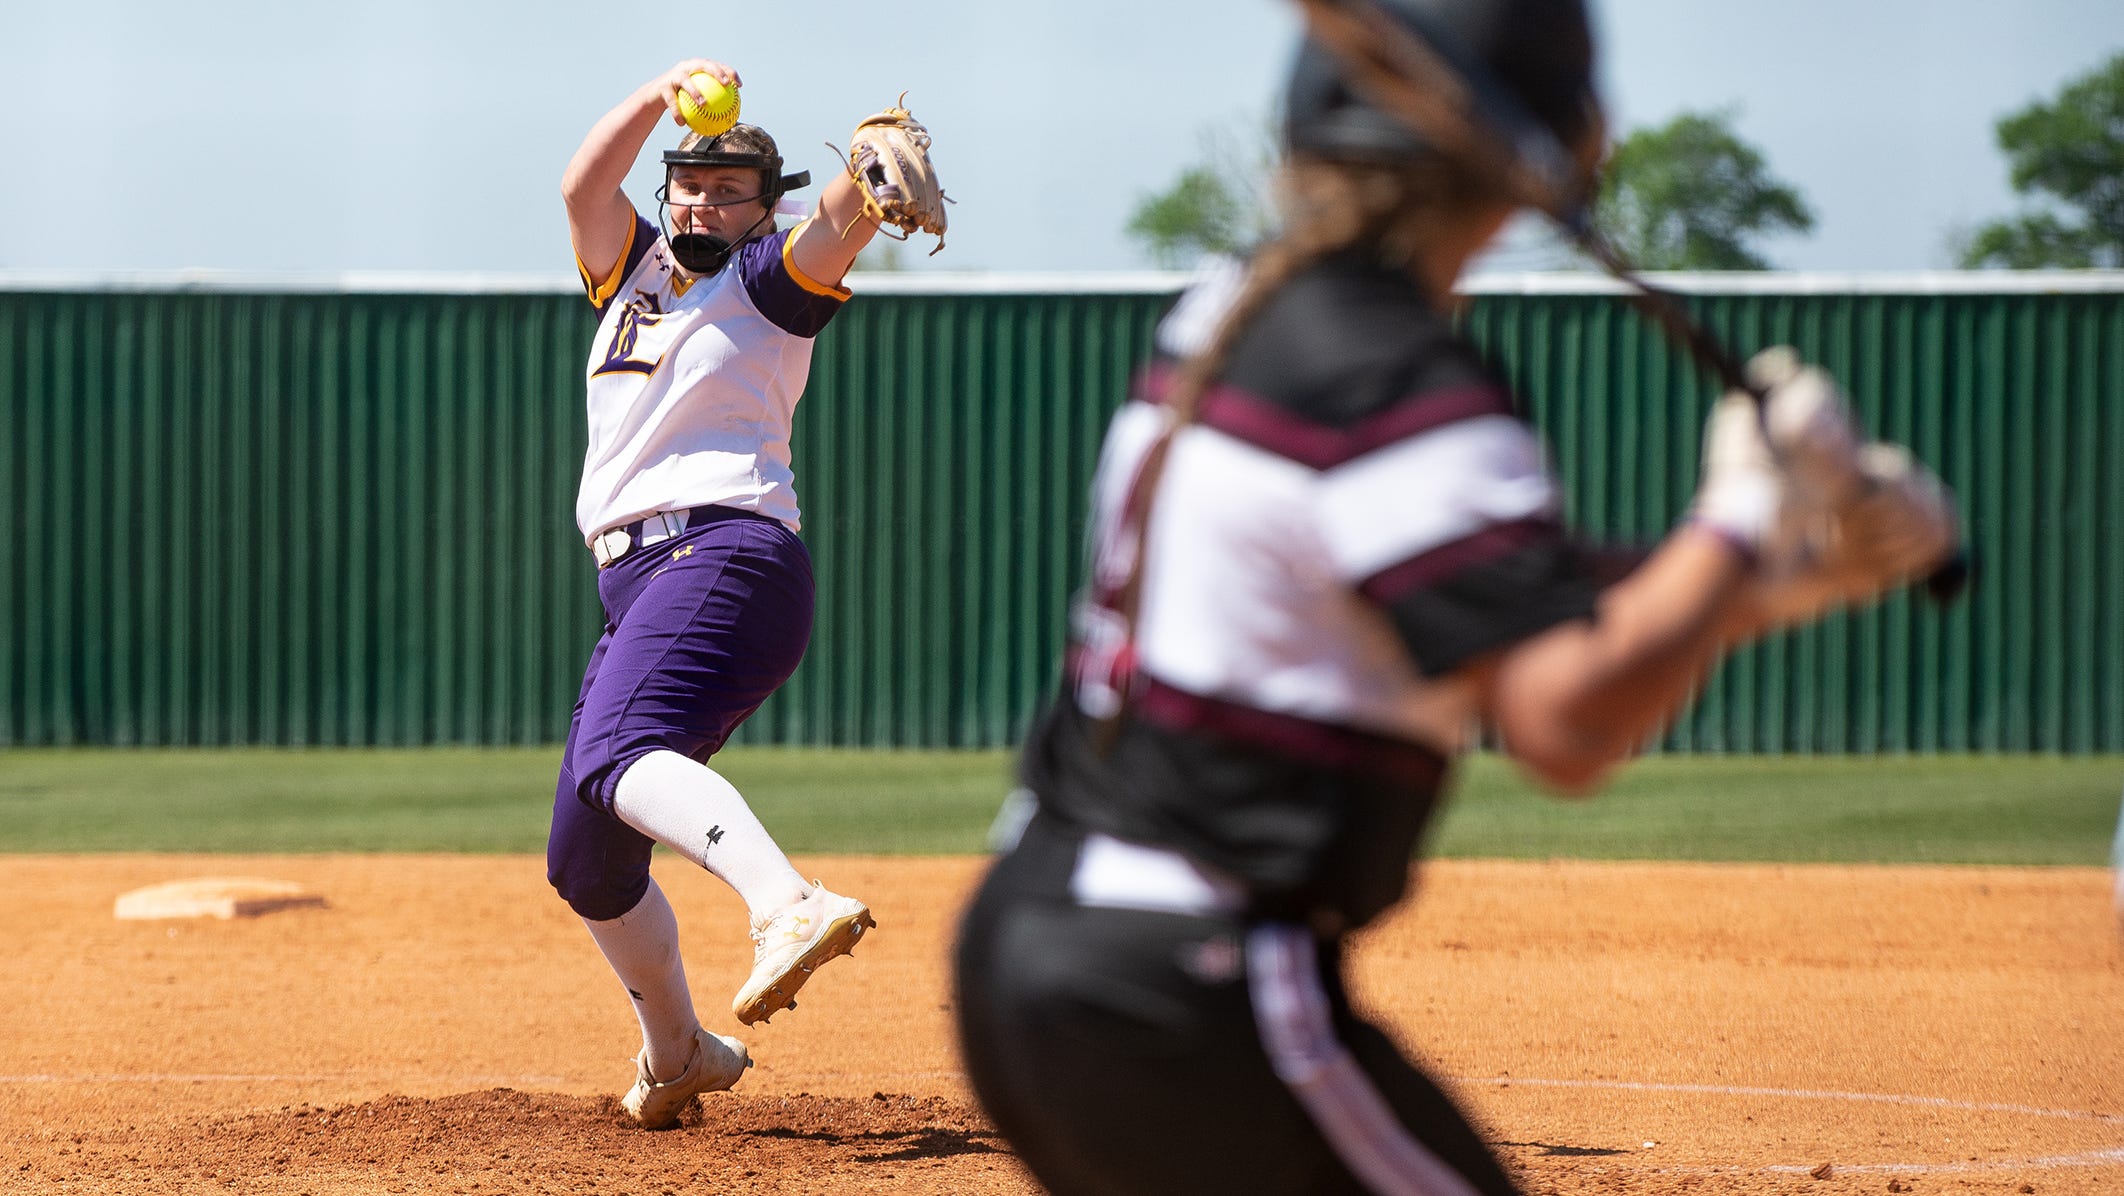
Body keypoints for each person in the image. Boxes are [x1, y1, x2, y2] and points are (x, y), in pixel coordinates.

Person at [950, 1, 1960, 1192]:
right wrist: (1738, 514)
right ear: (1559, 144)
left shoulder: (1256, 310)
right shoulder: (1391, 370)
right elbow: (1564, 719)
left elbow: (1499, 600)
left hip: (1045, 944)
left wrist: (1793, 578)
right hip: (1184, 984)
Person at [546, 59, 907, 1130]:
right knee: (586, 853)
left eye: (731, 187)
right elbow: (580, 185)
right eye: (690, 181)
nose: (705, 198)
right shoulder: (629, 276)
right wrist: (662, 95)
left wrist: (872, 164)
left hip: (726, 553)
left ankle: (788, 903)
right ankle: (680, 1051)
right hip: (640, 578)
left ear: (764, 205)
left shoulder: (765, 277)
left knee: (616, 755)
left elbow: (843, 216)